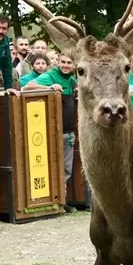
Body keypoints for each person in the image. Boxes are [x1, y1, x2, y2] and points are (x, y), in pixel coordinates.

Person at [24, 53, 78, 203]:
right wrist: (49, 87)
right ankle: (55, 200)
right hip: (53, 132)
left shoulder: (72, 81)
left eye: (69, 63)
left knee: (66, 169)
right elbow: (28, 87)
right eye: (63, 62)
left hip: (68, 133)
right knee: (54, 167)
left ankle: (62, 201)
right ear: (58, 63)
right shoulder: (51, 76)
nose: (66, 65)